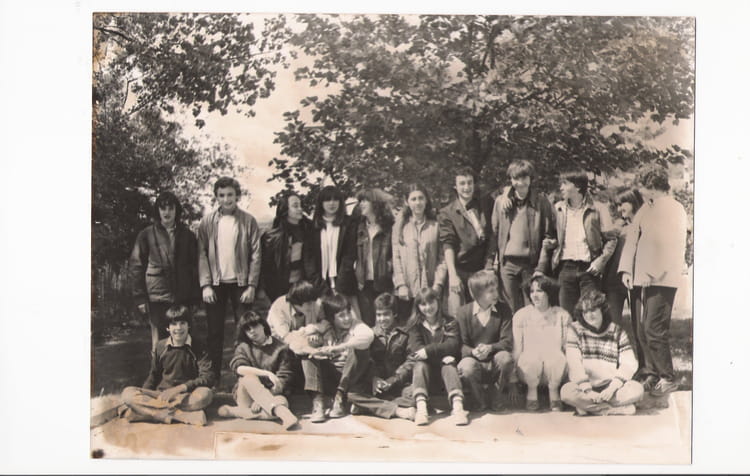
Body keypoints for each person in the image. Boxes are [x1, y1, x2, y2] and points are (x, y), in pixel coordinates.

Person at [618, 163, 688, 395]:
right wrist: (626, 271)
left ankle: (668, 377)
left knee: (653, 328)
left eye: (642, 186)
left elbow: (673, 246)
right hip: (640, 278)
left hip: (662, 279)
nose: (640, 191)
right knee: (641, 329)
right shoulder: (646, 209)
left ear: (652, 185)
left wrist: (653, 272)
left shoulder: (674, 208)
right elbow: (632, 240)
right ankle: (651, 373)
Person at [197, 176, 262, 385]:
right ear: (216, 197)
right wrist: (206, 285)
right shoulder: (207, 222)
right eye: (222, 195)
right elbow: (202, 254)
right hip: (216, 285)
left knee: (245, 331)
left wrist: (251, 285)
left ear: (237, 196)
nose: (226, 199)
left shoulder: (248, 221)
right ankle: (212, 377)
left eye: (230, 195)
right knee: (214, 332)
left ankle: (245, 377)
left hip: (241, 284)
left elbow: (256, 255)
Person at [129, 191, 200, 352]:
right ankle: (158, 368)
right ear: (158, 211)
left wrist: (196, 297)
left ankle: (184, 369)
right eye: (163, 208)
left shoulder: (187, 235)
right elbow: (136, 266)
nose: (167, 212)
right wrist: (140, 298)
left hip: (183, 297)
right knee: (160, 344)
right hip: (157, 298)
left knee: (185, 341)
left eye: (170, 208)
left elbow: (195, 267)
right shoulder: (146, 235)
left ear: (176, 210)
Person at [120, 305, 214, 426]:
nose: (178, 328)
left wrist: (179, 389)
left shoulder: (199, 346)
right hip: (162, 395)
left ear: (189, 325)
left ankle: (145, 412)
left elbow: (208, 377)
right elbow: (153, 376)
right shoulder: (160, 346)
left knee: (206, 395)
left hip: (185, 396)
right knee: (127, 393)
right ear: (167, 327)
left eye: (182, 323)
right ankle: (180, 415)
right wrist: (145, 395)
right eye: (174, 324)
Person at [542, 170, 616, 316]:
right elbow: (553, 235)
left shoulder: (598, 209)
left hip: (589, 269)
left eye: (565, 184)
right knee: (567, 315)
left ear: (577, 186)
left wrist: (600, 261)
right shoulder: (558, 208)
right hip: (565, 269)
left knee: (591, 313)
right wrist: (552, 243)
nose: (561, 188)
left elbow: (611, 239)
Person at [488, 160, 557, 313]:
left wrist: (541, 267)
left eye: (524, 178)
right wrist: (491, 263)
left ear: (531, 179)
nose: (520, 183)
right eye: (516, 178)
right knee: (510, 309)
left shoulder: (541, 202)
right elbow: (494, 234)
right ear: (511, 180)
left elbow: (548, 236)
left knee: (533, 308)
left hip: (530, 265)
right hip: (508, 265)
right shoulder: (501, 202)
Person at [561, 290, 644, 416]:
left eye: (593, 310)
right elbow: (574, 363)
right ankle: (611, 409)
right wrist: (588, 391)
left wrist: (612, 388)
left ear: (603, 310)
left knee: (637, 389)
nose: (589, 315)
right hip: (585, 388)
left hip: (610, 388)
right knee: (567, 392)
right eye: (585, 311)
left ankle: (589, 407)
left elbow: (629, 364)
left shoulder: (616, 331)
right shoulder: (575, 330)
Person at [217, 311, 299, 430]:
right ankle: (285, 416)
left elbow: (283, 379)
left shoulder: (281, 348)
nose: (252, 331)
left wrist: (261, 400)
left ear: (263, 325)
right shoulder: (243, 347)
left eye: (255, 325)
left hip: (273, 394)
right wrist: (266, 373)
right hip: (245, 395)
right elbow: (239, 368)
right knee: (249, 377)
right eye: (247, 329)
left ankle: (236, 412)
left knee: (283, 402)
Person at [345, 293, 417, 421]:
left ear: (394, 314)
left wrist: (393, 380)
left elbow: (411, 360)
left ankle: (369, 406)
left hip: (398, 383)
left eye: (386, 314)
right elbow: (367, 361)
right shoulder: (370, 334)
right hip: (376, 385)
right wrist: (373, 378)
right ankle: (396, 410)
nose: (382, 319)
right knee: (352, 394)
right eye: (378, 315)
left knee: (415, 396)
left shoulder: (405, 333)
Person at [303, 294, 374, 422]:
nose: (347, 318)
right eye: (341, 315)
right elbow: (299, 336)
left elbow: (368, 336)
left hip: (351, 377)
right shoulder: (326, 326)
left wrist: (339, 348)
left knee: (358, 348)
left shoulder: (356, 325)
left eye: (348, 313)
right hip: (331, 376)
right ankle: (318, 402)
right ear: (332, 317)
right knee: (307, 355)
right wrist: (312, 340)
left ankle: (339, 398)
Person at [455, 270, 515, 412]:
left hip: (495, 360)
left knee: (506, 358)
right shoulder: (463, 312)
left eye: (496, 290)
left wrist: (490, 348)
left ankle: (497, 399)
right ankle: (479, 401)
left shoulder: (504, 309)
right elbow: (461, 344)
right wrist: (473, 352)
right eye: (491, 291)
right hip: (474, 361)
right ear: (478, 294)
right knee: (466, 367)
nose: (496, 294)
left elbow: (507, 341)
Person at [407, 287, 468, 426]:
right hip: (425, 376)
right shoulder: (415, 325)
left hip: (446, 376)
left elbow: (453, 345)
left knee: (449, 364)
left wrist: (428, 351)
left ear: (438, 302)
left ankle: (458, 408)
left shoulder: (450, 321)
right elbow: (417, 350)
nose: (428, 307)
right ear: (418, 307)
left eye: (431, 302)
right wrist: (440, 355)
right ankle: (421, 409)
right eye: (423, 304)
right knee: (420, 364)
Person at [439, 167, 494, 317]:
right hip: (460, 270)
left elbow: (492, 236)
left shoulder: (485, 205)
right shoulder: (447, 212)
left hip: (481, 269)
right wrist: (452, 275)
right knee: (457, 315)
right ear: (455, 186)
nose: (466, 187)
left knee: (484, 313)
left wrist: (489, 266)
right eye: (462, 183)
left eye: (470, 183)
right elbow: (448, 244)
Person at [512, 275, 570, 411]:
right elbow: (517, 348)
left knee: (556, 356)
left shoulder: (562, 315)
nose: (535, 295)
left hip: (556, 370)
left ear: (549, 293)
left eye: (539, 291)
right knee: (531, 356)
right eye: (532, 291)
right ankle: (531, 393)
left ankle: (554, 393)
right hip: (528, 370)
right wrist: (512, 377)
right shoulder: (521, 315)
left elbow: (567, 347)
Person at [602, 187, 645, 368]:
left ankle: (645, 367)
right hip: (614, 282)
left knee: (640, 326)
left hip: (636, 281)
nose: (620, 209)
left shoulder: (645, 224)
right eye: (618, 205)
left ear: (634, 202)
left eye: (623, 204)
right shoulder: (617, 227)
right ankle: (614, 366)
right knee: (612, 325)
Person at [392, 183, 447, 322]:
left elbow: (442, 258)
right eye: (413, 199)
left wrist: (438, 284)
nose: (418, 202)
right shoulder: (400, 226)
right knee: (408, 327)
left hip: (430, 288)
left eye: (421, 198)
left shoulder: (435, 225)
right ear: (407, 202)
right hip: (407, 291)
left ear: (426, 200)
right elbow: (396, 258)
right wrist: (401, 285)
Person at [304, 185, 359, 312]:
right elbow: (309, 260)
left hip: (344, 283)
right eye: (327, 200)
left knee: (349, 316)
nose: (332, 203)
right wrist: (321, 287)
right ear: (321, 203)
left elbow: (349, 255)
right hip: (320, 285)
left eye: (335, 199)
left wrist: (339, 286)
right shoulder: (312, 227)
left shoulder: (349, 223)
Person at [260, 192, 313, 302]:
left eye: (300, 205)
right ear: (285, 209)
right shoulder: (272, 236)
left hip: (303, 286)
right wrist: (262, 289)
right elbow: (264, 266)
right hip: (279, 289)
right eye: (295, 206)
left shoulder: (309, 230)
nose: (300, 209)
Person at [354, 189, 395, 327]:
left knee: (385, 323)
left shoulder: (389, 227)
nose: (361, 204)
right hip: (364, 284)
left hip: (384, 283)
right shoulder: (359, 228)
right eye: (360, 201)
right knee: (368, 323)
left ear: (376, 203)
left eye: (365, 200)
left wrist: (389, 267)